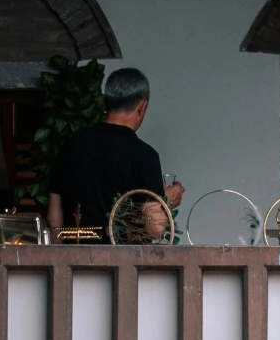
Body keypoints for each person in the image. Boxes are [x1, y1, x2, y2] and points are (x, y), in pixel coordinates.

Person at [48, 68, 184, 233]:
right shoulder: (144, 155)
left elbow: (54, 218)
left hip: (71, 255)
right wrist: (165, 201)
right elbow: (155, 228)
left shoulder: (70, 145)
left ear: (104, 103)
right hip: (120, 258)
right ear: (142, 106)